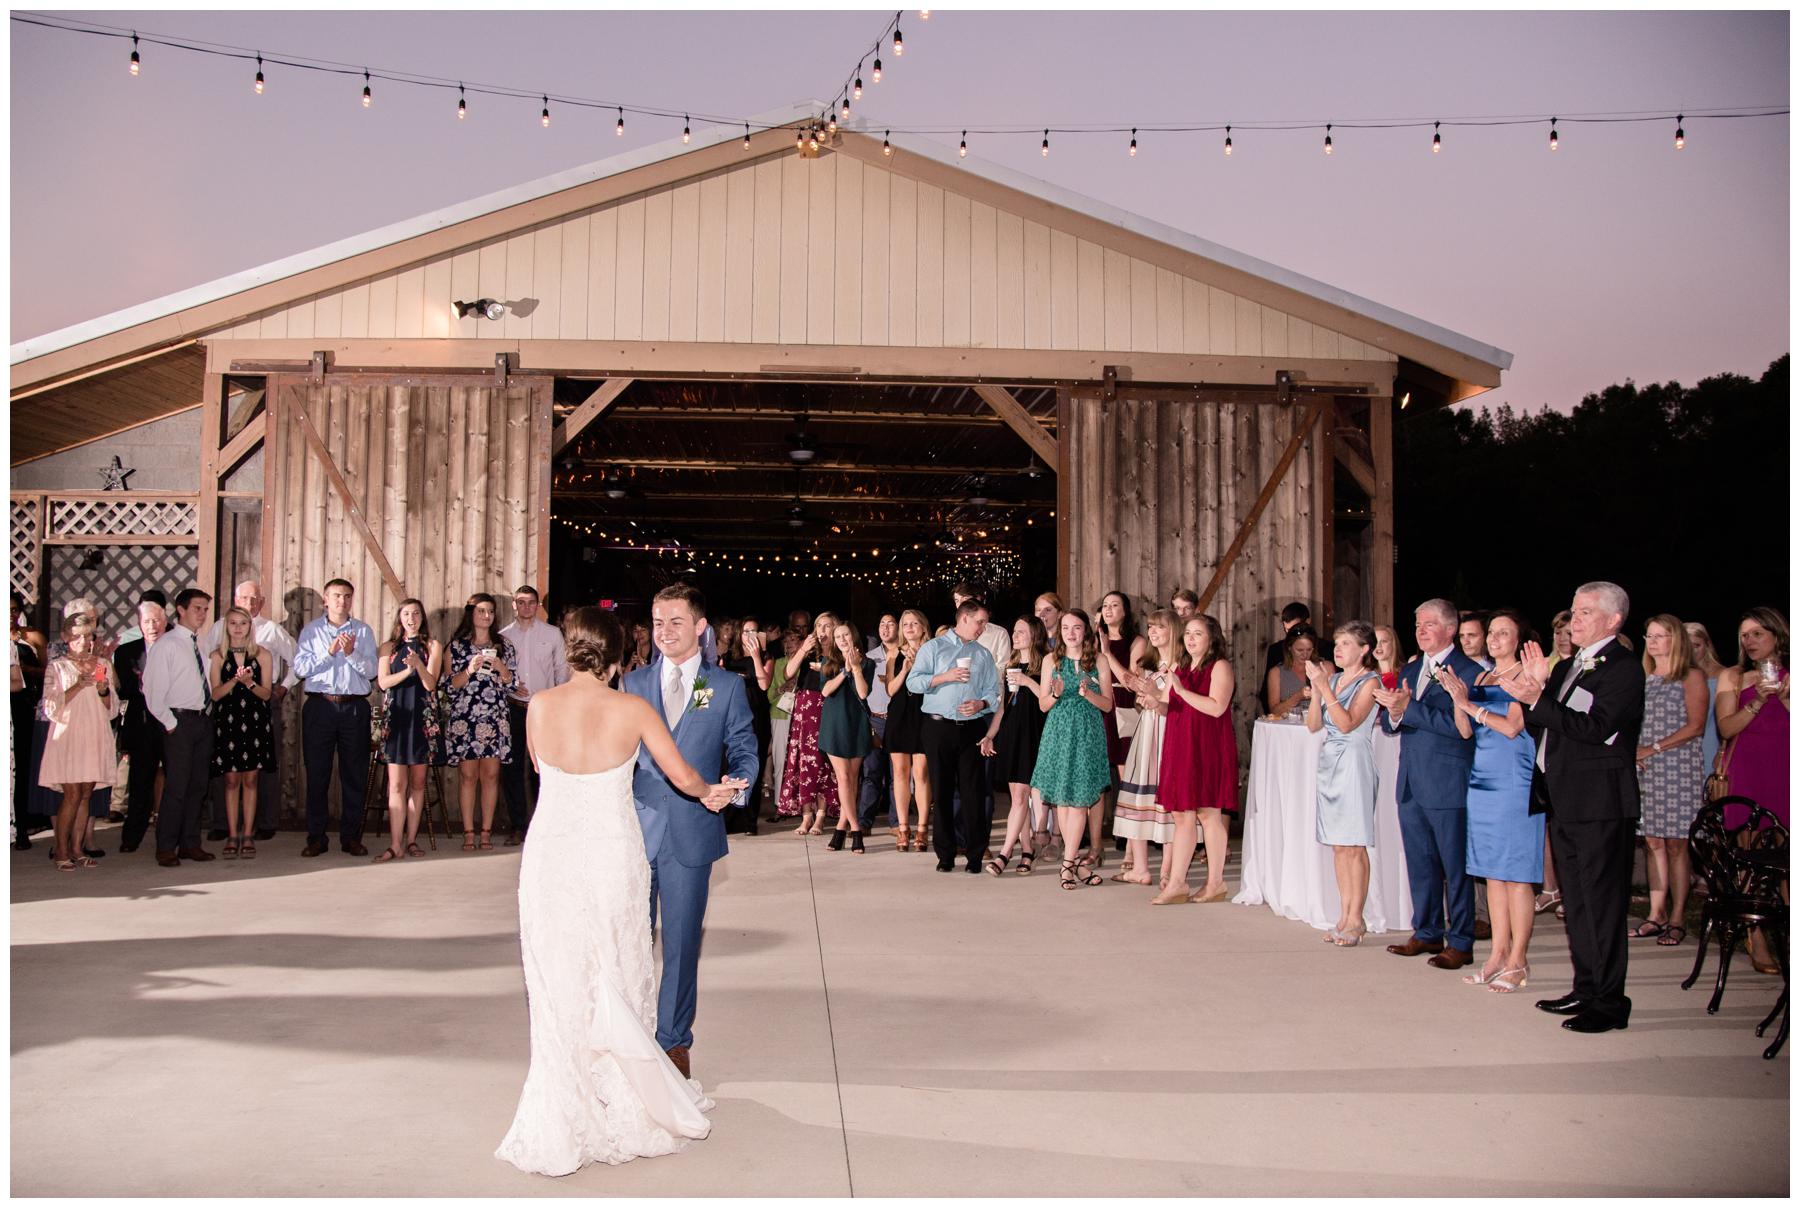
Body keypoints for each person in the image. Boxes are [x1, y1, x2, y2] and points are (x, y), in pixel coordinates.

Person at [494, 607, 741, 1176]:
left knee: (558, 971)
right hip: (608, 852)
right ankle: (624, 1099)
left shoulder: (540, 707)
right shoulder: (633, 708)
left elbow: (538, 767)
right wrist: (711, 794)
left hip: (551, 853)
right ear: (616, 658)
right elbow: (682, 776)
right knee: (617, 966)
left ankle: (565, 1098)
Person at [619, 584, 759, 1080]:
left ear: (700, 628)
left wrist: (734, 787)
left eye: (675, 622)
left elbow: (743, 749)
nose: (664, 632)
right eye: (657, 622)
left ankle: (674, 1041)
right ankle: (627, 1034)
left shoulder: (725, 687)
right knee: (630, 940)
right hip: (635, 831)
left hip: (692, 833)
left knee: (680, 944)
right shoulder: (632, 684)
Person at [1496, 581, 1646, 1034]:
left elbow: (1596, 727)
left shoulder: (1622, 668)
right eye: (1574, 612)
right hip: (1563, 796)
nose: (1574, 620)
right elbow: (1546, 727)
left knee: (1602, 903)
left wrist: (1537, 699)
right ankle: (1586, 987)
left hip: (1601, 801)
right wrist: (1538, 689)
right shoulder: (1568, 667)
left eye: (1584, 613)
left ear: (1613, 620)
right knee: (1577, 902)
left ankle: (1610, 1003)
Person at [1436, 608, 1545, 991]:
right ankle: (1498, 953)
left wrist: (1472, 707)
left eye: (1503, 632)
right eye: (1492, 633)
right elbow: (1466, 731)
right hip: (1481, 777)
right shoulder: (1483, 675)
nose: (1496, 638)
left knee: (1516, 876)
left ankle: (1519, 959)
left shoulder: (1526, 676)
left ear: (1519, 639)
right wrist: (1457, 698)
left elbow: (1514, 727)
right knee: (1493, 874)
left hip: (1514, 777)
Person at [1372, 598, 1483, 970]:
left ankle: (1462, 940)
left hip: (1447, 779)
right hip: (1411, 778)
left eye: (1429, 624)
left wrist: (1409, 709)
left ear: (1451, 629)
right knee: (1420, 861)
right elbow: (1394, 724)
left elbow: (1460, 727)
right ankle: (1428, 930)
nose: (1420, 630)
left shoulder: (1468, 670)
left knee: (1455, 866)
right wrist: (1393, 710)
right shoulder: (1414, 667)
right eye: (1417, 624)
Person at [1619, 614, 1708, 948]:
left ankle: (1678, 916)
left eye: (1660, 635)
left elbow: (1696, 725)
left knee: (1676, 844)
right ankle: (1656, 914)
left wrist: (1652, 749)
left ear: (1676, 640)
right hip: (1645, 769)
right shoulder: (1643, 677)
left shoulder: (1691, 676)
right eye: (1649, 636)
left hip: (1678, 766)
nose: (1653, 642)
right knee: (1653, 842)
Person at [1713, 606, 1789, 974]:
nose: (1750, 641)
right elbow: (1726, 729)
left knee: (1788, 859)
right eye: (1745, 635)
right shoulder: (1734, 676)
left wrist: (1785, 695)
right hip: (1748, 771)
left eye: (1758, 633)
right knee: (1750, 858)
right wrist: (1759, 698)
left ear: (1777, 634)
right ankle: (1756, 937)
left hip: (1787, 769)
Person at [910, 599, 1004, 874]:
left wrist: (981, 704)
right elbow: (913, 683)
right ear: (964, 618)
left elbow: (994, 695)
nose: (982, 627)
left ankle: (975, 855)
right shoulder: (934, 648)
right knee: (941, 791)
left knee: (973, 792)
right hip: (938, 727)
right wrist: (944, 676)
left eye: (984, 623)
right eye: (980, 622)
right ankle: (945, 854)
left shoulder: (983, 654)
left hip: (972, 728)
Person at [204, 576, 299, 843]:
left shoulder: (271, 631)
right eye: (245, 598)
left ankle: (264, 823)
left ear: (263, 602)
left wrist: (283, 688)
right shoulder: (219, 628)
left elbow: (298, 661)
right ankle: (223, 824)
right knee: (226, 769)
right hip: (227, 706)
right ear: (235, 601)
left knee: (263, 767)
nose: (250, 603)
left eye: (255, 599)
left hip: (261, 703)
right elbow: (205, 662)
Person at [1305, 620, 1383, 944]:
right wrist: (1317, 690)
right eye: (1336, 644)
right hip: (1329, 761)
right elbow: (1313, 725)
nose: (1337, 650)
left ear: (1364, 649)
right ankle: (1343, 913)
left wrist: (1324, 689)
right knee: (1338, 845)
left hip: (1353, 760)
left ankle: (1357, 917)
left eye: (1346, 644)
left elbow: (1348, 723)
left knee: (1354, 844)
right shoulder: (1334, 678)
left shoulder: (1370, 681)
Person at [292, 578, 379, 858]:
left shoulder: (363, 632)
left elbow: (371, 671)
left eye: (347, 596)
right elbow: (301, 668)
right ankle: (316, 837)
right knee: (317, 774)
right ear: (325, 600)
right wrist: (329, 654)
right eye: (337, 596)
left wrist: (351, 653)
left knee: (354, 775)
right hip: (320, 706)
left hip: (354, 707)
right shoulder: (311, 631)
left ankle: (351, 837)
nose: (342, 601)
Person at [1155, 613, 1238, 903]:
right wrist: (1152, 698)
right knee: (1181, 815)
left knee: (1208, 813)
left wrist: (1180, 689)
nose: (1190, 639)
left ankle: (1215, 882)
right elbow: (1167, 707)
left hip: (1207, 746)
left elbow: (1216, 707)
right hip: (1180, 745)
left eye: (1197, 634)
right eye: (1187, 633)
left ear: (1211, 638)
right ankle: (1177, 883)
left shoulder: (1220, 667)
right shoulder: (1181, 666)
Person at [1029, 608, 1115, 889]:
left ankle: (1068, 865)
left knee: (1079, 802)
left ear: (1085, 631)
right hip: (1058, 732)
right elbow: (1042, 705)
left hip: (1088, 733)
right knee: (1063, 803)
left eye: (1076, 627)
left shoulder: (1098, 660)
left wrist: (1088, 693)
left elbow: (1108, 705)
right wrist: (1055, 692)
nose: (1070, 632)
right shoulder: (1050, 660)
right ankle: (1073, 864)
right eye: (1065, 628)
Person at [38, 613, 120, 870]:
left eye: (88, 635)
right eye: (78, 636)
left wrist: (103, 690)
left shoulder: (102, 664)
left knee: (86, 793)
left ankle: (77, 848)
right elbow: (50, 706)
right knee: (72, 794)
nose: (84, 641)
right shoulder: (58, 666)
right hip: (69, 734)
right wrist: (76, 686)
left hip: (95, 732)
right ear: (66, 638)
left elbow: (113, 708)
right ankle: (61, 850)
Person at [143, 588, 217, 867]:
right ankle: (166, 846)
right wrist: (171, 723)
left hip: (201, 719)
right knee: (177, 785)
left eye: (205, 609)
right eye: (197, 608)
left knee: (198, 785)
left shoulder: (200, 643)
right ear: (181, 610)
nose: (202, 614)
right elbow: (151, 690)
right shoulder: (168, 644)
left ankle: (190, 843)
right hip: (179, 721)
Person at [446, 593, 518, 852]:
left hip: (494, 717)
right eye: (481, 611)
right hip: (466, 718)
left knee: (490, 775)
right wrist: (469, 670)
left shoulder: (504, 646)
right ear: (471, 614)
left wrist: (502, 668)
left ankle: (485, 831)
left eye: (490, 611)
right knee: (467, 776)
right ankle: (468, 832)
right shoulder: (456, 646)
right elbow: (449, 686)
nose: (486, 616)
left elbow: (514, 684)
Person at [1113, 609, 1179, 887]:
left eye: (1159, 627)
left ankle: (1167, 869)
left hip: (1169, 733)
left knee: (1170, 801)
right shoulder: (1151, 663)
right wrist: (1141, 693)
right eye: (1150, 627)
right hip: (1147, 730)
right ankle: (1140, 868)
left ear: (1172, 631)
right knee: (1137, 795)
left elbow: (1180, 704)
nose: (1153, 632)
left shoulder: (1181, 665)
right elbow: (1143, 703)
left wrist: (1153, 695)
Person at [375, 598, 443, 862]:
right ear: (399, 618)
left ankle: (412, 839)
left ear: (422, 617)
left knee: (417, 783)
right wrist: (407, 671)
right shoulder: (389, 648)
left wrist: (419, 666)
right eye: (406, 614)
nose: (411, 618)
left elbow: (430, 685)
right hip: (397, 719)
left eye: (416, 613)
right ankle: (395, 844)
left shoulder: (432, 646)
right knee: (396, 785)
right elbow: (383, 682)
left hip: (422, 720)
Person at [499, 584, 568, 846]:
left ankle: (544, 825)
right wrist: (509, 685)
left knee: (543, 771)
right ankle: (518, 825)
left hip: (544, 711)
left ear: (538, 605)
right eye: (521, 602)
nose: (526, 606)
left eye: (531, 602)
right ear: (514, 605)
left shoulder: (552, 634)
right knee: (513, 769)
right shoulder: (503, 636)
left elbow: (561, 671)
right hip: (514, 708)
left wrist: (557, 703)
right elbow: (498, 672)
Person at [207, 606, 275, 859]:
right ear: (226, 627)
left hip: (255, 721)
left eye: (243, 623)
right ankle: (232, 834)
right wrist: (235, 682)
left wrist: (250, 683)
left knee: (250, 780)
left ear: (250, 627)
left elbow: (267, 694)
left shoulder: (263, 655)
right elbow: (215, 694)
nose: (238, 628)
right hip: (228, 722)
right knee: (231, 780)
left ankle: (248, 833)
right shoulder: (217, 657)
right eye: (233, 623)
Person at [988, 615, 1050, 875]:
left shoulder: (1046, 664)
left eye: (1021, 631)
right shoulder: (1010, 666)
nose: (1015, 635)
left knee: (1022, 795)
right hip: (1012, 733)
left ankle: (1004, 853)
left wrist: (1028, 682)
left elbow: (1048, 699)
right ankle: (1026, 850)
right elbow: (1003, 708)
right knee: (1017, 798)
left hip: (1034, 733)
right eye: (1014, 631)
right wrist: (991, 734)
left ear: (1035, 635)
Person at [112, 600, 167, 854]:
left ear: (165, 621)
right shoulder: (127, 651)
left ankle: (169, 836)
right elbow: (123, 688)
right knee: (140, 781)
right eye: (147, 621)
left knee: (173, 780)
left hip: (170, 723)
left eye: (157, 620)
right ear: (139, 624)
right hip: (141, 722)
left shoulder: (176, 646)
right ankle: (131, 836)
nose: (152, 626)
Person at [776, 612, 838, 834]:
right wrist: (803, 649)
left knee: (824, 763)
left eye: (827, 626)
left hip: (828, 707)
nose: (822, 630)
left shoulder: (839, 653)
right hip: (805, 708)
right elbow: (787, 673)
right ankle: (806, 815)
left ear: (835, 628)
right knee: (804, 761)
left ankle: (821, 816)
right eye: (819, 625)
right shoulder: (808, 650)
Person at [1096, 590, 1146, 868]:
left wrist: (1106, 653)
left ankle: (1130, 846)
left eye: (1115, 605)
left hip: (1123, 708)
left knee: (1126, 780)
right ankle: (1095, 843)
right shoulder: (1094, 638)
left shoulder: (1136, 642)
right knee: (1099, 780)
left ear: (1125, 611)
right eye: (1105, 605)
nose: (1109, 610)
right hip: (1097, 708)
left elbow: (1131, 681)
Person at [819, 621, 875, 853]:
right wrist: (845, 671)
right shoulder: (828, 662)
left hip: (857, 724)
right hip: (834, 725)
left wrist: (857, 668)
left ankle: (840, 828)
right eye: (838, 636)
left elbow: (863, 693)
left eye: (846, 635)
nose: (842, 639)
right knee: (843, 778)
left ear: (854, 637)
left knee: (852, 780)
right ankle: (856, 830)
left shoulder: (868, 662)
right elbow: (825, 691)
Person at [884, 610, 931, 852]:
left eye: (914, 623)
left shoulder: (934, 652)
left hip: (923, 715)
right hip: (899, 716)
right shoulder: (895, 655)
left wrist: (920, 665)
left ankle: (922, 828)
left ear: (923, 627)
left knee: (921, 774)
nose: (909, 627)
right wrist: (905, 668)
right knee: (900, 774)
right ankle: (903, 828)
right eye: (905, 624)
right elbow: (891, 690)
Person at [722, 616, 773, 836]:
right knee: (730, 766)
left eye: (754, 631)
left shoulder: (766, 657)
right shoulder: (728, 658)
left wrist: (755, 656)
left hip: (757, 717)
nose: (749, 636)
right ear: (739, 634)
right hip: (732, 718)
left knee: (754, 767)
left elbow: (763, 684)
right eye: (745, 631)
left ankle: (750, 820)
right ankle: (731, 820)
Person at [11, 592, 48, 849]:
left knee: (22, 766)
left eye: (14, 609)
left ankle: (23, 826)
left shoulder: (32, 636)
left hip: (24, 704)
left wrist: (25, 670)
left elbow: (49, 671)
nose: (11, 613)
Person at [766, 630, 801, 822]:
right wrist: (781, 689)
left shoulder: (806, 664)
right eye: (786, 641)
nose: (789, 644)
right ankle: (780, 806)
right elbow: (769, 696)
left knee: (802, 762)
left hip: (803, 717)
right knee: (780, 761)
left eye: (793, 640)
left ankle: (804, 806)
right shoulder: (777, 664)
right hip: (780, 715)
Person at [1685, 620, 1727, 776]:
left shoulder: (1724, 676)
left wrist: (1722, 751)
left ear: (1707, 645)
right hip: (1680, 749)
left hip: (1712, 745)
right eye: (1685, 647)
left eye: (1696, 646)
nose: (1691, 652)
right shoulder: (1676, 677)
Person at [1262, 601, 1313, 711]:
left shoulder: (1327, 650)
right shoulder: (1276, 650)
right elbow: (1267, 694)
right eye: (1288, 630)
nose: (1291, 635)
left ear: (1308, 622)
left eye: (1296, 629)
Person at [1264, 626, 1319, 718]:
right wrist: (1298, 696)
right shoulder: (1276, 672)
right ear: (1289, 648)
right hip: (1289, 729)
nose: (1305, 654)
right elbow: (1274, 712)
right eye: (1300, 650)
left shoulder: (1324, 668)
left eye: (1309, 649)